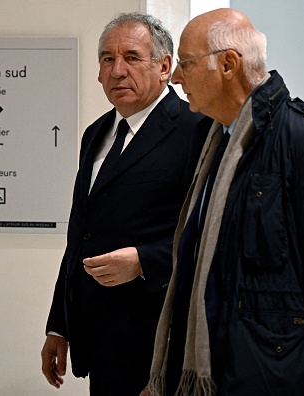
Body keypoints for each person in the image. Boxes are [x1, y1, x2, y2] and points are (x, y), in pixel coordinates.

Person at [144, 8, 304, 396]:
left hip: (270, 376)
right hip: (217, 373)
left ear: (228, 64)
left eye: (186, 64)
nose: (177, 78)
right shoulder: (212, 140)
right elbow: (196, 271)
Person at [41, 12, 208, 395]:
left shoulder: (195, 130)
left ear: (165, 66)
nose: (117, 71)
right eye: (107, 59)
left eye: (132, 57)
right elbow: (81, 233)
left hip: (159, 345)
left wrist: (144, 261)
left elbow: (210, 236)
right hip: (99, 343)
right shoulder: (95, 133)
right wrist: (59, 325)